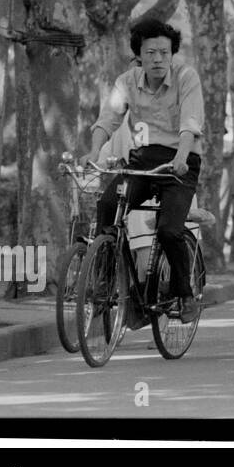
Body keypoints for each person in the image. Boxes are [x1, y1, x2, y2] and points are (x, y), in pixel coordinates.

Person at [85, 18, 204, 323]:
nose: (158, 59)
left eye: (164, 53)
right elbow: (108, 118)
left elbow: (191, 123)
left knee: (168, 230)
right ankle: (106, 278)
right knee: (109, 205)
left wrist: (180, 156)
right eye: (150, 53)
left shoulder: (186, 77)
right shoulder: (126, 82)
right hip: (143, 161)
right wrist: (94, 151)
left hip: (181, 162)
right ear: (138, 54)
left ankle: (184, 294)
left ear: (172, 54)